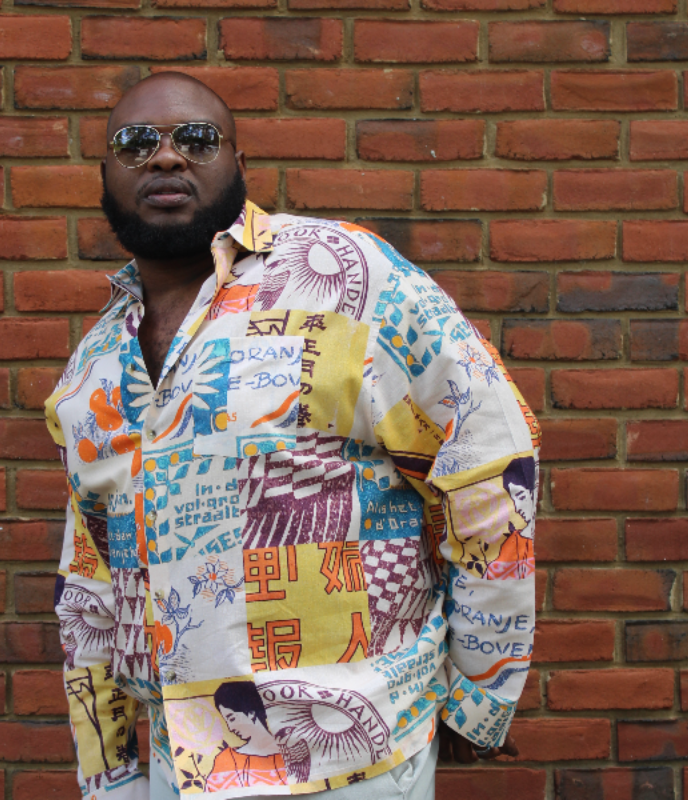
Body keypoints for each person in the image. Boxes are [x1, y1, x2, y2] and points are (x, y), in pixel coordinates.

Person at [46, 72, 540, 800]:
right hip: (175, 767)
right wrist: (109, 769)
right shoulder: (93, 367)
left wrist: (479, 693)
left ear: (239, 163)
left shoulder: (346, 276)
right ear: (105, 175)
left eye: (197, 139)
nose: (166, 156)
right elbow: (92, 577)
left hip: (350, 760)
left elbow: (488, 460)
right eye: (136, 142)